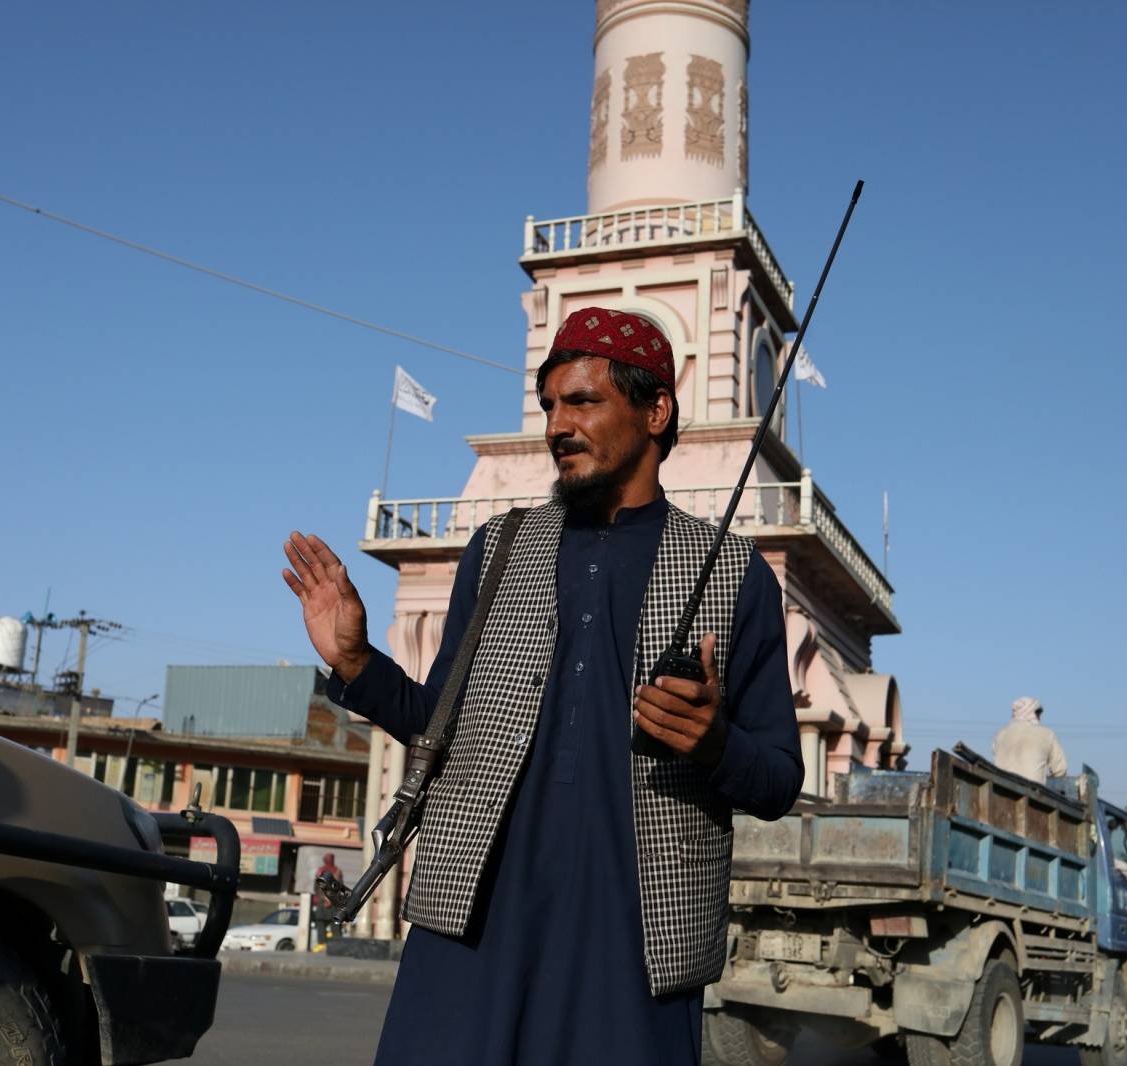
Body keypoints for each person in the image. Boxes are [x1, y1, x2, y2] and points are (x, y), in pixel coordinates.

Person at [281, 307, 803, 1066]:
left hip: (636, 945)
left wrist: (714, 742)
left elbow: (779, 778)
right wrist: (356, 663)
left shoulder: (733, 573)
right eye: (551, 404)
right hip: (474, 927)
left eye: (584, 401)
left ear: (655, 411)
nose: (559, 423)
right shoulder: (497, 550)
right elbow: (441, 726)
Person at [991, 696, 1068, 783]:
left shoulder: (999, 734)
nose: (1039, 719)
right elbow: (1060, 771)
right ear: (1033, 713)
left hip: (999, 789)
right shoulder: (1047, 734)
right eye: (1038, 715)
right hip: (1034, 794)